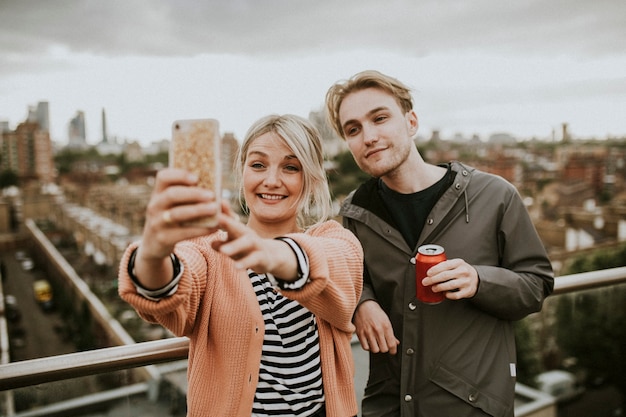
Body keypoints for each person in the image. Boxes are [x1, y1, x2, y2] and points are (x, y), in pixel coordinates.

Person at [325, 70, 554, 417]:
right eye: (353, 129)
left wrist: (480, 281)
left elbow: (537, 284)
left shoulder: (494, 196)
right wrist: (362, 303)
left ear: (411, 122)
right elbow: (354, 280)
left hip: (470, 407)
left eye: (380, 118)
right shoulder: (355, 212)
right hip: (388, 407)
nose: (368, 136)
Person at [118, 114, 363, 417]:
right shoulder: (210, 249)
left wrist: (271, 254)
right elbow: (169, 289)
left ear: (311, 179)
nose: (271, 180)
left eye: (290, 167)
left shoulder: (331, 238)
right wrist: (154, 253)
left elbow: (340, 264)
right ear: (241, 173)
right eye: (258, 165)